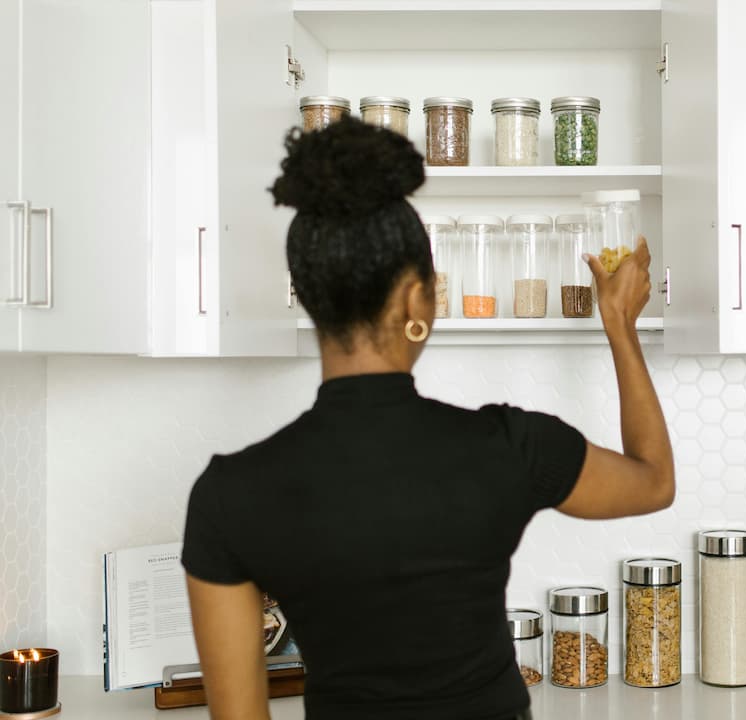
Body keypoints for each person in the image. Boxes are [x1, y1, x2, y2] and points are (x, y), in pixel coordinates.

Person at [180, 118, 674, 720]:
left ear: (308, 297)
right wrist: (619, 322)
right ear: (419, 299)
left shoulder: (228, 496)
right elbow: (654, 480)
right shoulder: (509, 447)